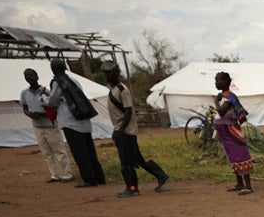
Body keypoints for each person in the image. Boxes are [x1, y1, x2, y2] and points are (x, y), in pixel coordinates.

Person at [101, 60, 169, 198]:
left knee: (126, 161)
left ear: (116, 73)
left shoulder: (121, 90)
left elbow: (128, 112)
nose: (107, 76)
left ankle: (132, 187)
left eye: (109, 73)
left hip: (125, 131)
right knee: (137, 158)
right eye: (105, 73)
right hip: (123, 130)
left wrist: (120, 130)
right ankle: (161, 176)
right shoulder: (113, 90)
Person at [47, 58, 105, 188]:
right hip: (83, 119)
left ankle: (89, 179)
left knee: (80, 153)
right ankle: (99, 176)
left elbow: (52, 101)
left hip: (70, 122)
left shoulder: (57, 82)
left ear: (53, 70)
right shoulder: (74, 80)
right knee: (90, 151)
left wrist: (44, 98)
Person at [19, 68, 73, 183]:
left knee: (59, 150)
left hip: (50, 125)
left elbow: (55, 106)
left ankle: (67, 174)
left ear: (37, 76)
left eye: (30, 75)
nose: (28, 77)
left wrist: (42, 114)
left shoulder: (46, 91)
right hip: (37, 126)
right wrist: (29, 114)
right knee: (46, 152)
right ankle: (55, 174)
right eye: (26, 75)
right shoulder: (24, 93)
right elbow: (24, 108)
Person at [214, 72, 253, 195]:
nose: (215, 83)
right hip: (225, 132)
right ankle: (239, 183)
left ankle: (248, 185)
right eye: (215, 80)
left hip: (232, 131)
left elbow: (221, 112)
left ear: (225, 83)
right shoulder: (222, 96)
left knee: (240, 155)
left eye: (218, 81)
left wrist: (215, 101)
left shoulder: (230, 97)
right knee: (232, 156)